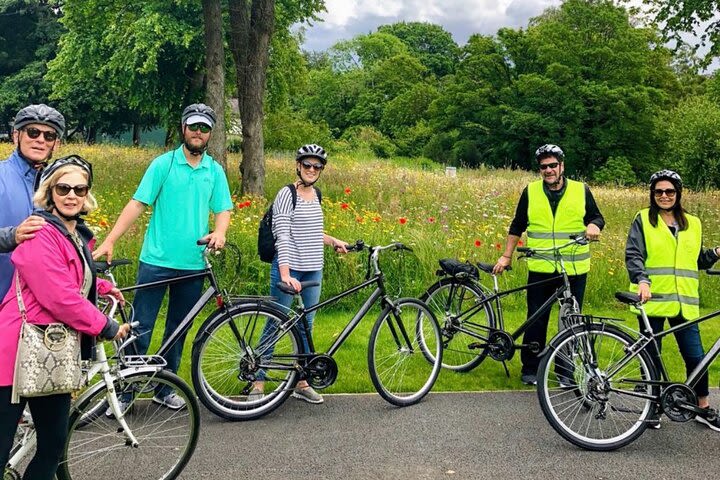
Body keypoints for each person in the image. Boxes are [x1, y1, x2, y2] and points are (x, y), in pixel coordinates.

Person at [93, 103, 233, 411]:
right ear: (183, 128)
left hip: (194, 264)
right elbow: (137, 204)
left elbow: (223, 208)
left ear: (210, 133)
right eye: (193, 126)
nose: (198, 132)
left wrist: (220, 232)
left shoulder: (214, 170)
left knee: (178, 330)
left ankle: (163, 388)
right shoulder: (163, 165)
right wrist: (111, 240)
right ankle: (127, 392)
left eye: (204, 128)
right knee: (140, 328)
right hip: (156, 260)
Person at [0, 155, 129, 480]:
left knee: (53, 445)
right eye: (64, 188)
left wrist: (101, 287)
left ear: (87, 195)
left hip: (51, 353)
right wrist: (106, 325)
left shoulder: (73, 233)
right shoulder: (41, 232)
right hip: (14, 353)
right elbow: (58, 296)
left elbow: (71, 275)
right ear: (50, 193)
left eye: (79, 189)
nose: (72, 195)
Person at [492, 144, 605, 386]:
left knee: (570, 321)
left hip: (573, 270)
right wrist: (506, 256)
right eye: (544, 167)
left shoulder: (580, 190)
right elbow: (517, 225)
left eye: (553, 165)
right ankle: (531, 368)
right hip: (541, 268)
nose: (548, 170)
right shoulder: (531, 192)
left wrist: (594, 226)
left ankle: (565, 372)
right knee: (535, 320)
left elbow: (597, 217)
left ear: (562, 166)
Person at [249, 144, 349, 404]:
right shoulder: (286, 194)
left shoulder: (317, 194)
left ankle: (301, 382)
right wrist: (285, 274)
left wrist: (333, 240)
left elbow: (311, 232)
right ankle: (257, 381)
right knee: (276, 323)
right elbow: (282, 235)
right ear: (298, 166)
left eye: (317, 166)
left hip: (313, 268)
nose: (312, 170)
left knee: (306, 327)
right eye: (307, 165)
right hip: (289, 268)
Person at [625, 169, 720, 431]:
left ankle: (702, 408)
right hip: (652, 300)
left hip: (684, 303)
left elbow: (695, 260)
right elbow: (634, 253)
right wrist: (642, 280)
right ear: (652, 195)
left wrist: (715, 253)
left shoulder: (694, 223)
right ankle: (652, 408)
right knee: (652, 357)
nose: (664, 196)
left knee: (696, 356)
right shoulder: (643, 219)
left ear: (678, 194)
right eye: (658, 192)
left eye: (669, 191)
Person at [0, 104, 65, 297]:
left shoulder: (58, 186)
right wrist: (12, 236)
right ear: (16, 136)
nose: (40, 140)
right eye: (33, 132)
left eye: (49, 136)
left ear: (56, 144)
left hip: (35, 303)